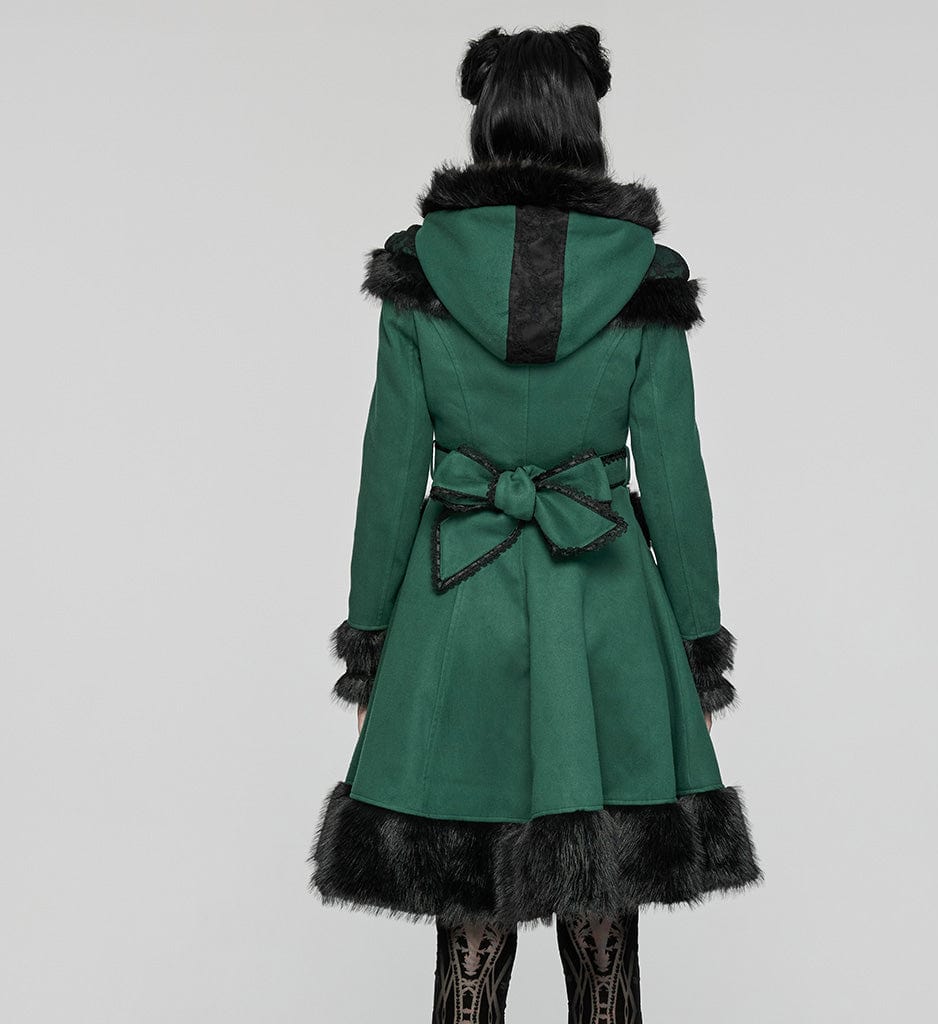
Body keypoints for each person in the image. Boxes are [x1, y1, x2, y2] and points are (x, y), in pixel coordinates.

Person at [310, 23, 762, 1023]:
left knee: (468, 929)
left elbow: (388, 474)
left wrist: (371, 646)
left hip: (456, 607)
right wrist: (697, 650)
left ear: (486, 122)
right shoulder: (645, 274)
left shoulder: (420, 271)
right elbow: (676, 479)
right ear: (585, 123)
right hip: (607, 621)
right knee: (604, 936)